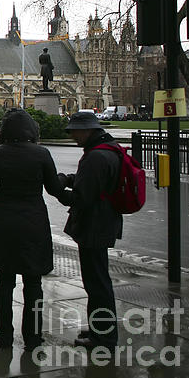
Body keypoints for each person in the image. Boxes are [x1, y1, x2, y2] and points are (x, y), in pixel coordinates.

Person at [0, 109, 62, 349]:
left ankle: (4, 335)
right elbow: (55, 189)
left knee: (4, 282)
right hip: (33, 220)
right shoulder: (42, 154)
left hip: (4, 220)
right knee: (33, 283)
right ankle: (33, 337)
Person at [56, 112, 123, 353]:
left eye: (75, 131)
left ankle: (104, 338)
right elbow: (92, 183)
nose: (73, 136)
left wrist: (57, 190)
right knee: (98, 280)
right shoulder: (108, 149)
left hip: (94, 224)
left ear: (87, 130)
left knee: (97, 284)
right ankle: (99, 328)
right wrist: (70, 178)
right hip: (104, 221)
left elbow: (83, 198)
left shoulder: (95, 157)